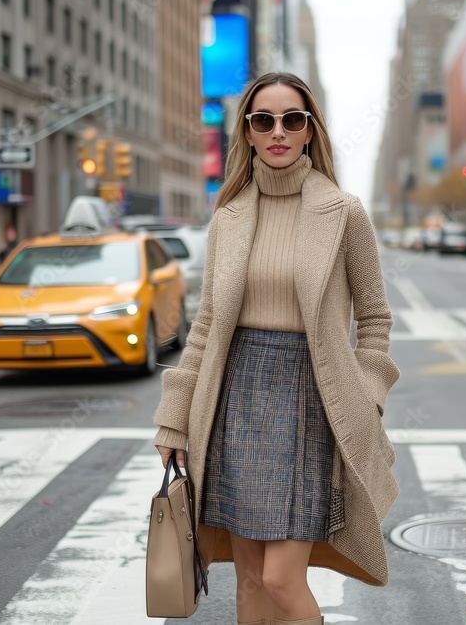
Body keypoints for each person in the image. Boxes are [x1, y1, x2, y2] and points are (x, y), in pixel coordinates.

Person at [152, 72, 401, 625]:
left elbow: (376, 318)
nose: (279, 131)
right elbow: (207, 324)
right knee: (247, 585)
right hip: (234, 399)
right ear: (248, 131)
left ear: (310, 130)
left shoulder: (344, 213)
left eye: (293, 119)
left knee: (281, 579)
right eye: (265, 120)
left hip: (311, 401)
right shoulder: (230, 216)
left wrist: (367, 394)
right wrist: (174, 420)